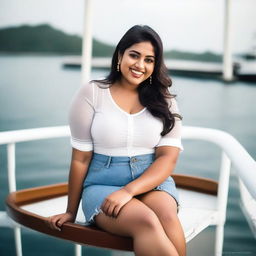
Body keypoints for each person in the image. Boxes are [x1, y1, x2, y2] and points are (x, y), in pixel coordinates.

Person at [47, 25, 186, 256]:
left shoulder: (165, 100)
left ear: (156, 65)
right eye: (134, 55)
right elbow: (80, 159)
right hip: (102, 182)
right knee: (146, 221)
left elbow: (167, 159)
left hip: (152, 179)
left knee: (167, 216)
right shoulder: (92, 93)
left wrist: (129, 191)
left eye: (149, 60)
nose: (140, 65)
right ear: (120, 55)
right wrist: (70, 212)